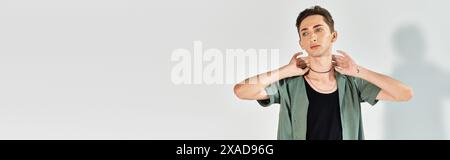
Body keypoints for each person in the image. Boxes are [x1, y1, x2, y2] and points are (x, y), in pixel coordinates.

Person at [233, 5, 413, 140]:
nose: (312, 36)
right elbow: (242, 91)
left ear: (333, 36)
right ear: (301, 43)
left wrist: (358, 71)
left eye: (318, 29)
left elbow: (404, 94)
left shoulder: (351, 82)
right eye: (305, 33)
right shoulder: (289, 83)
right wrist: (285, 71)